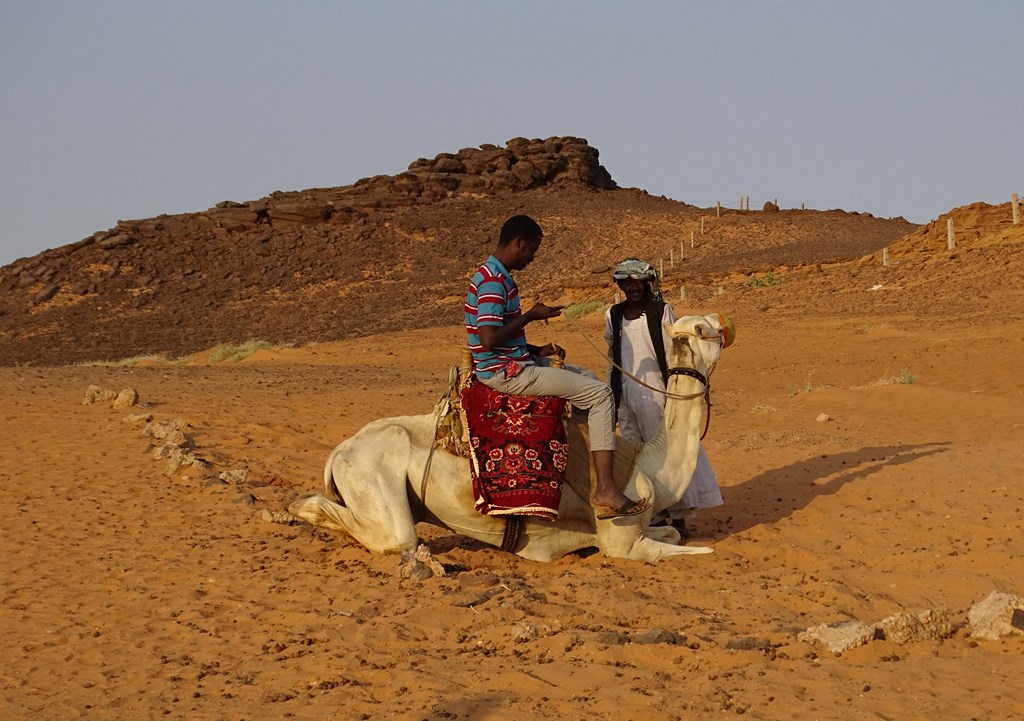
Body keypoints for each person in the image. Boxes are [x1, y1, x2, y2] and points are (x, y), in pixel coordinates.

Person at [464, 215, 650, 520]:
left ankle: (580, 463)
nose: (532, 257)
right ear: (518, 242)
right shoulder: (494, 282)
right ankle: (606, 488)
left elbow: (498, 335)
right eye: (532, 250)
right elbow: (487, 339)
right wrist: (531, 317)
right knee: (601, 396)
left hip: (513, 362)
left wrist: (538, 350)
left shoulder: (492, 275)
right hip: (507, 374)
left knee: (588, 379)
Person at [604, 258, 723, 535]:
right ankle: (653, 514)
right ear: (620, 285)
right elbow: (613, 356)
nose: (633, 287)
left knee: (668, 450)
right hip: (626, 392)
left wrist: (674, 390)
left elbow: (675, 352)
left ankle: (680, 515)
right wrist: (613, 393)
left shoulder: (661, 311)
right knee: (636, 452)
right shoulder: (613, 314)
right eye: (627, 282)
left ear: (647, 284)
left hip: (657, 388)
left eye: (638, 282)